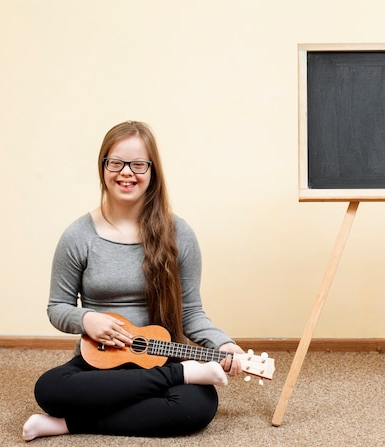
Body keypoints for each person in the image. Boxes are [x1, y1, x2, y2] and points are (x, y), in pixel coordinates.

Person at [22, 121, 244, 441]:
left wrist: (222, 343)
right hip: (98, 359)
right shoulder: (78, 236)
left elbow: (192, 312)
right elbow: (57, 307)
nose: (127, 172)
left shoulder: (179, 234)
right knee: (49, 389)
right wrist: (87, 318)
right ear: (103, 168)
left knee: (197, 407)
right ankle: (180, 375)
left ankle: (65, 423)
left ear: (152, 171)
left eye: (138, 164)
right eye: (116, 163)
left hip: (159, 356)